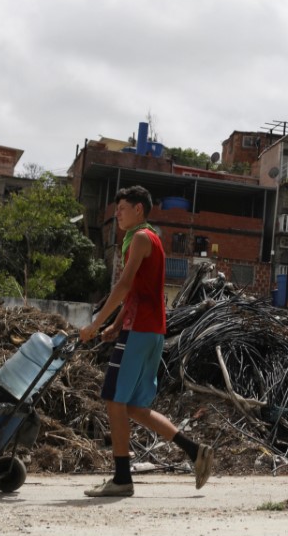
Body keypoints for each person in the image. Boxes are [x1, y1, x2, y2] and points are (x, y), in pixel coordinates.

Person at [79, 185, 213, 497]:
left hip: (140, 330)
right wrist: (114, 324)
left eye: (123, 209)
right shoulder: (149, 239)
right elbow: (139, 288)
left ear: (139, 209)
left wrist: (95, 324)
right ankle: (196, 452)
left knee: (114, 401)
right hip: (150, 331)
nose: (118, 215)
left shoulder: (139, 238)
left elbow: (124, 285)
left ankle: (122, 478)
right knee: (136, 407)